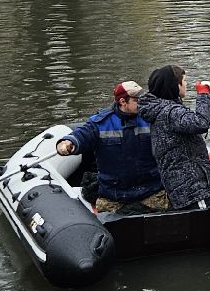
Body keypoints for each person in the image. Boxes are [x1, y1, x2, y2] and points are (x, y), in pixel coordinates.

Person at [56, 81, 168, 211]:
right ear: (122, 101)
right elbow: (81, 136)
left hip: (151, 191)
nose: (143, 103)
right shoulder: (100, 123)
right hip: (115, 195)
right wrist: (67, 143)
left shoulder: (150, 119)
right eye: (137, 100)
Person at [134, 64, 210, 209]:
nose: (186, 84)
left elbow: (174, 145)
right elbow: (201, 123)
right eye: (184, 81)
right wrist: (203, 96)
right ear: (175, 85)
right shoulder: (171, 112)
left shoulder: (159, 109)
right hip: (193, 190)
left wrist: (202, 156)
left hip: (178, 187)